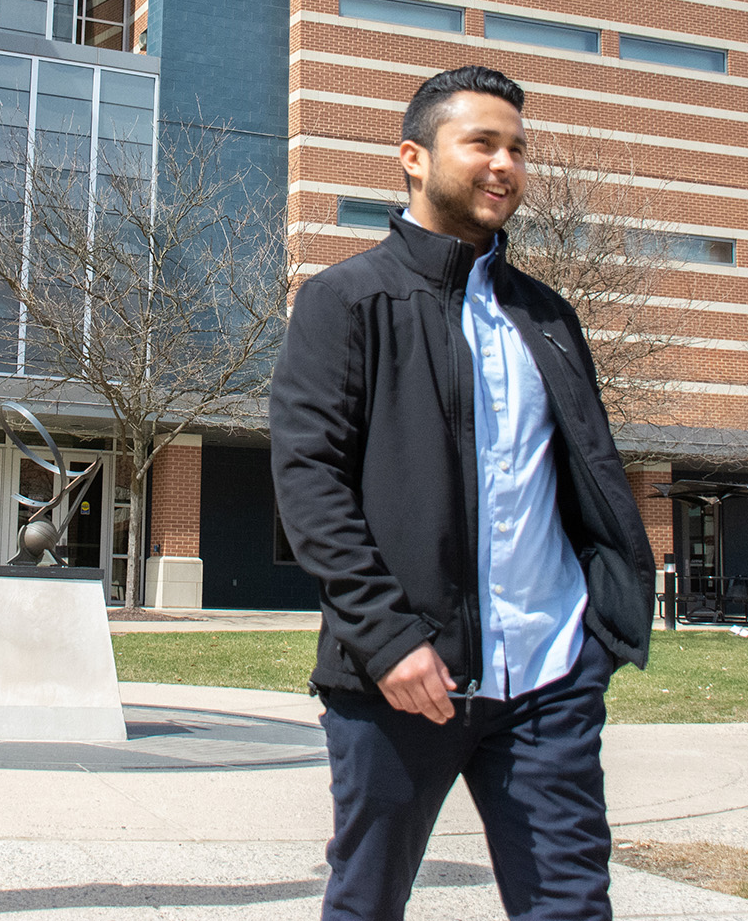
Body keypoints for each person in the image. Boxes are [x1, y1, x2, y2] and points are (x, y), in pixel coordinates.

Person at [270, 64, 654, 921]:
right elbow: (309, 483)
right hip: (402, 679)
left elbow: (585, 474)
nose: (504, 164)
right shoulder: (344, 301)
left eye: (517, 148)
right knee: (367, 904)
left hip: (550, 677)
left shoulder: (549, 317)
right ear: (413, 157)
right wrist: (387, 640)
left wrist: (595, 635)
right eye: (481, 142)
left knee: (572, 908)